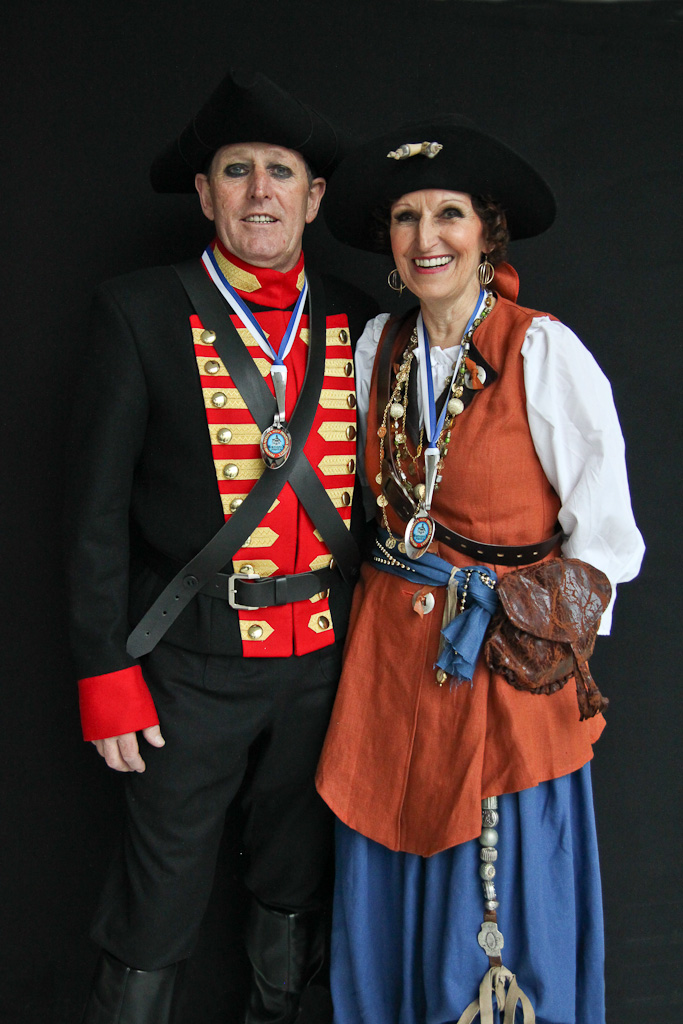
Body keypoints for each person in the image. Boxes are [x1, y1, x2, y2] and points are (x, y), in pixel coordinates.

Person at [315, 117, 645, 1024]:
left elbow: (607, 540)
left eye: (448, 214)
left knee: (498, 902)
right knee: (385, 876)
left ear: (486, 232)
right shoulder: (375, 349)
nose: (426, 238)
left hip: (501, 663)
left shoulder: (542, 352)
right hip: (388, 667)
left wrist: (535, 638)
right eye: (406, 217)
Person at [67, 68, 375, 1024]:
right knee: (156, 904)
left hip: (327, 663)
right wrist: (104, 673)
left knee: (296, 884)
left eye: (281, 171)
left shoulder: (362, 317)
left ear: (313, 198)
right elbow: (92, 514)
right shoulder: (138, 310)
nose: (259, 191)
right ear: (205, 194)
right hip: (187, 666)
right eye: (237, 170)